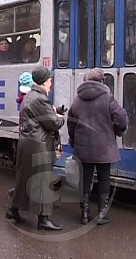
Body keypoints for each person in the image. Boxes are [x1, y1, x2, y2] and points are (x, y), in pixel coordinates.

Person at [67, 68, 127, 225]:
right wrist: (119, 130)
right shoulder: (107, 98)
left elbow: (71, 123)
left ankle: (85, 214)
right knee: (103, 178)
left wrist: (73, 140)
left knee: (85, 179)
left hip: (83, 147)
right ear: (102, 81)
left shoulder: (77, 100)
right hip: (103, 147)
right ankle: (101, 214)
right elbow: (121, 117)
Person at [7, 66, 65, 231]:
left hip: (27, 142)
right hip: (38, 145)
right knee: (42, 181)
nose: (51, 83)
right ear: (44, 82)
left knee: (24, 180)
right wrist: (60, 118)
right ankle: (43, 219)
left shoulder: (30, 96)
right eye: (50, 80)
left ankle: (13, 209)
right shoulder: (40, 98)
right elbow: (52, 123)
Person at [7, 72, 34, 199]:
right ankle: (17, 195)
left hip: (24, 138)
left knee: (25, 170)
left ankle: (17, 196)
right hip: (30, 139)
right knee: (27, 170)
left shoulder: (23, 98)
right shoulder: (29, 100)